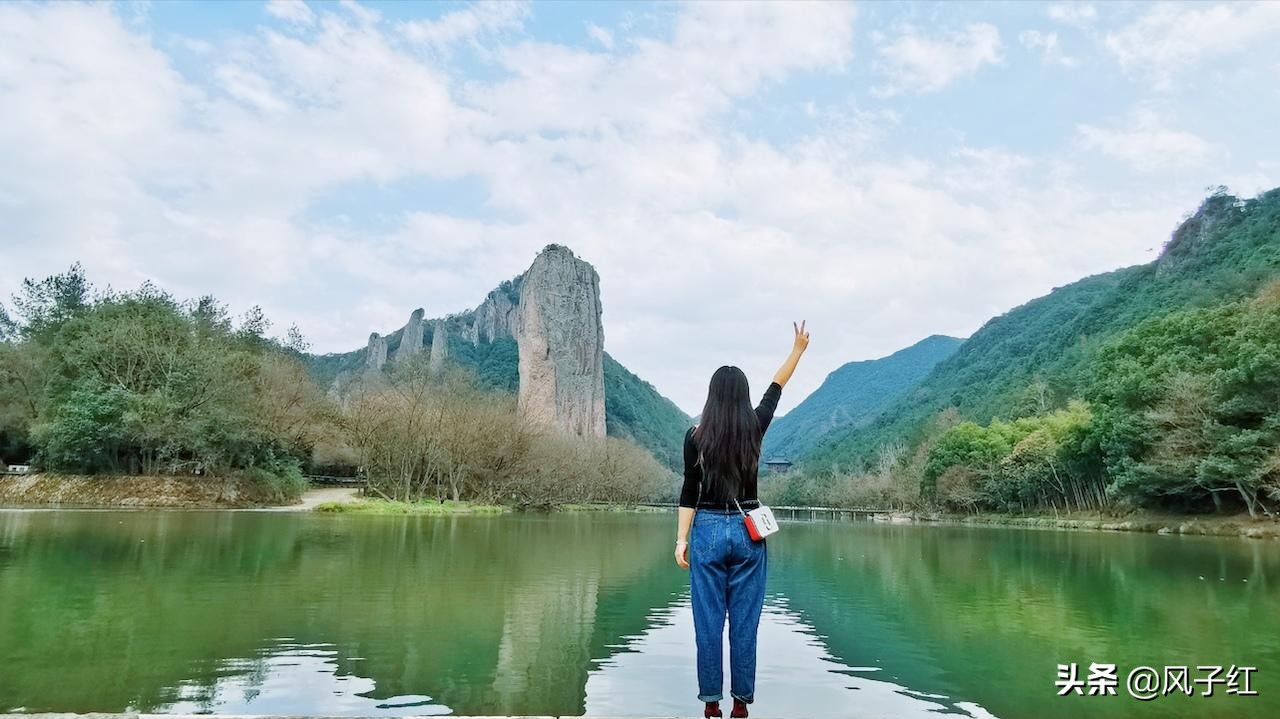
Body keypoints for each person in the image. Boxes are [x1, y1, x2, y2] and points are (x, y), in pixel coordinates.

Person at [675, 321, 810, 718]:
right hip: (749, 532)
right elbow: (777, 386)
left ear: (711, 396)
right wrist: (798, 350)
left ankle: (711, 705)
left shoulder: (695, 435)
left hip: (708, 531)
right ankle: (740, 705)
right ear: (743, 396)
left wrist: (682, 540)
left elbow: (689, 491)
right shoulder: (755, 425)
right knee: (745, 626)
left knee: (708, 624)